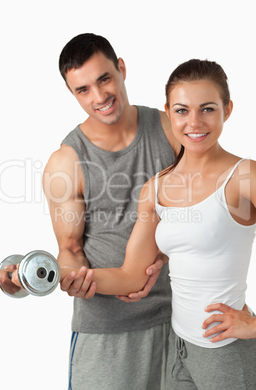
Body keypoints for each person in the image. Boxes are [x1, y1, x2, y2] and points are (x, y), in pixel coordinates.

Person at [61, 59, 256, 389]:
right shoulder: (157, 188)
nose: (194, 122)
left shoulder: (244, 177)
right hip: (177, 349)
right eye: (182, 110)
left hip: (225, 351)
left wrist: (254, 326)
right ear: (169, 111)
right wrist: (61, 277)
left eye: (207, 109)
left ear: (228, 109)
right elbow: (131, 276)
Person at [43, 33, 180, 390]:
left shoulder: (171, 129)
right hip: (107, 330)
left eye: (104, 79)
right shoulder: (65, 162)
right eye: (83, 90)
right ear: (73, 94)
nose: (99, 97)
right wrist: (76, 279)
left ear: (121, 68)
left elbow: (206, 207)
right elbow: (70, 250)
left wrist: (160, 257)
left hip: (181, 321)